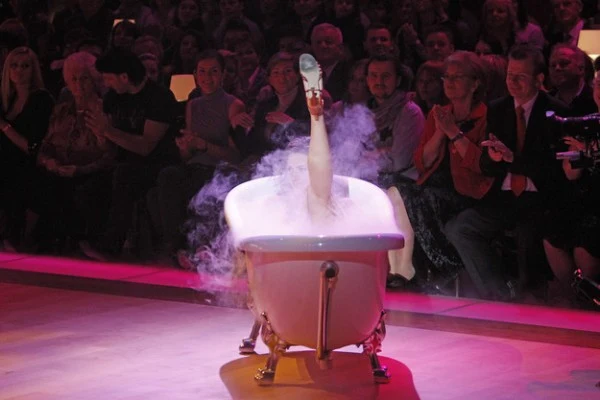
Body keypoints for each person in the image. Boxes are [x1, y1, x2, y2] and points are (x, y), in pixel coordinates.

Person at [445, 44, 569, 301]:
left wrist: (513, 159)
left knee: (528, 233)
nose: (512, 82)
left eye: (520, 76)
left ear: (539, 79)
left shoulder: (556, 113)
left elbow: (553, 170)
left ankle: (530, 297)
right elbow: (489, 165)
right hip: (503, 196)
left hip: (539, 198)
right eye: (510, 75)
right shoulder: (498, 108)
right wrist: (493, 157)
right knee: (460, 227)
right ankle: (497, 294)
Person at [387, 51, 492, 289]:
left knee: (411, 197)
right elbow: (422, 162)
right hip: (433, 184)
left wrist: (453, 132)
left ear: (475, 83)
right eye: (447, 77)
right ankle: (398, 270)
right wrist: (440, 131)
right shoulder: (439, 114)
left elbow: (480, 165)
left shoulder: (486, 116)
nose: (450, 83)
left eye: (457, 77)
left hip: (467, 192)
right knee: (393, 190)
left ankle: (411, 270)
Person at [146, 49, 244, 262]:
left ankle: (189, 249)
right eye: (202, 71)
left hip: (219, 170)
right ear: (195, 75)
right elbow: (187, 156)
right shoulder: (193, 105)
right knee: (166, 177)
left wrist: (204, 145)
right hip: (194, 167)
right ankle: (177, 247)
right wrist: (185, 146)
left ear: (223, 74)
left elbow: (235, 156)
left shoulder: (233, 105)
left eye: (214, 71)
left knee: (190, 181)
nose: (207, 77)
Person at [82, 49, 179, 260]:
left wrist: (107, 131)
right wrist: (100, 134)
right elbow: (107, 141)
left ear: (124, 77)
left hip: (156, 162)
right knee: (91, 181)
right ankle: (86, 238)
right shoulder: (113, 97)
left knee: (124, 176)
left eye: (109, 78)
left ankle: (110, 246)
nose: (106, 83)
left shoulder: (159, 98)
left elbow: (146, 147)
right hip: (121, 159)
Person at [35, 51, 116, 250]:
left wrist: (79, 170)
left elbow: (110, 155)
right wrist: (49, 161)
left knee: (79, 188)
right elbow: (45, 146)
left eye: (84, 78)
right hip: (58, 169)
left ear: (94, 80)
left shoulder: (105, 112)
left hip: (91, 171)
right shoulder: (61, 110)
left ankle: (77, 240)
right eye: (74, 79)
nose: (78, 84)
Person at [543, 73, 600, 306]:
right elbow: (571, 175)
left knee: (583, 249)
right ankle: (575, 299)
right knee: (553, 232)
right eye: (598, 85)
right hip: (587, 197)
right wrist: (577, 156)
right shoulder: (586, 123)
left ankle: (590, 299)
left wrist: (591, 151)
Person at [0, 47, 54, 251]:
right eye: (14, 66)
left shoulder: (41, 99)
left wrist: (4, 127)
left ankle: (14, 235)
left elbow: (33, 147)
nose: (19, 71)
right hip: (5, 158)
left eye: (25, 66)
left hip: (27, 160)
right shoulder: (5, 98)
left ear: (33, 70)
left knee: (12, 174)